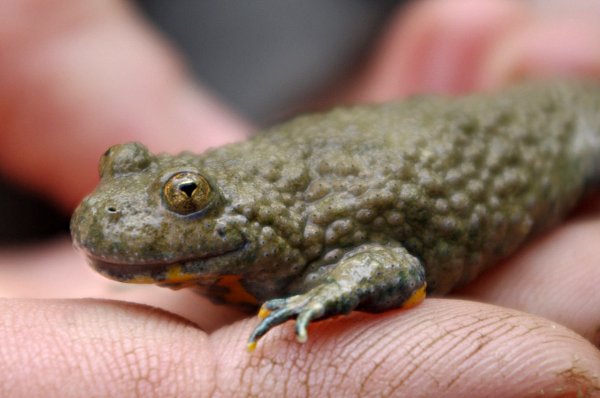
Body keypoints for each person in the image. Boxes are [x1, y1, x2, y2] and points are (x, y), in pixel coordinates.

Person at [1, 0, 599, 395]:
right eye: (116, 168)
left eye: (185, 196)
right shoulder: (270, 226)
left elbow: (391, 265)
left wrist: (323, 298)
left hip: (565, 127)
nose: (108, 205)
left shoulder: (307, 240)